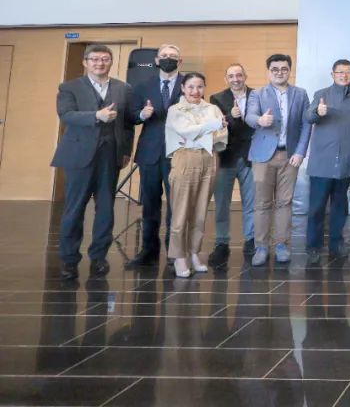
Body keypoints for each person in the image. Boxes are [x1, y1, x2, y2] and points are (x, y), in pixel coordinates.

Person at [51, 44, 134, 280]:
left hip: (110, 155)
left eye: (105, 59)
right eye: (95, 59)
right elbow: (66, 115)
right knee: (74, 208)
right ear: (85, 62)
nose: (100, 63)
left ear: (110, 62)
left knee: (106, 208)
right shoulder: (69, 87)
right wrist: (96, 116)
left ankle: (99, 257)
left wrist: (125, 151)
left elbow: (127, 124)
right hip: (79, 155)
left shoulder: (123, 88)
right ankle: (69, 260)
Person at [245, 54, 312, 267]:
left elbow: (306, 124)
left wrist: (300, 152)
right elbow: (249, 116)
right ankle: (261, 247)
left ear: (289, 70)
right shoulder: (257, 93)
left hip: (290, 155)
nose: (279, 72)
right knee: (262, 203)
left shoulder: (300, 94)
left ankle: (282, 245)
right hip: (262, 157)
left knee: (285, 202)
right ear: (268, 72)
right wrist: (260, 120)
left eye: (284, 68)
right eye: (275, 69)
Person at [125, 43, 184, 269]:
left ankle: (174, 252)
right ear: (157, 60)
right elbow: (131, 116)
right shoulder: (143, 86)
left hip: (178, 152)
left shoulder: (189, 84)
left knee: (176, 205)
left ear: (180, 61)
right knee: (150, 203)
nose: (168, 58)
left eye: (173, 56)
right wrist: (142, 114)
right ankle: (148, 251)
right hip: (150, 152)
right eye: (164, 55)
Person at [165, 72, 227, 278]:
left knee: (200, 212)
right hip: (185, 158)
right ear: (183, 88)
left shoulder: (212, 108)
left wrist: (199, 134)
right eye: (191, 87)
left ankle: (194, 252)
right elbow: (186, 131)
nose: (195, 91)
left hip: (209, 159)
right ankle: (178, 256)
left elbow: (222, 135)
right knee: (181, 211)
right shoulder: (175, 109)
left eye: (200, 87)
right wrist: (210, 128)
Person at [304, 59, 350, 266]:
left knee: (340, 206)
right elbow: (308, 116)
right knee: (317, 207)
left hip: (345, 161)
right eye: (340, 72)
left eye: (347, 72)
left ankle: (336, 243)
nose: (343, 75)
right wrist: (317, 112)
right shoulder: (321, 94)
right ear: (332, 74)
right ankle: (313, 247)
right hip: (322, 162)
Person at [208, 63, 256, 269]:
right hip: (225, 157)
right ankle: (221, 242)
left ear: (245, 76)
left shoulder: (257, 95)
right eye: (231, 76)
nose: (235, 79)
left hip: (250, 157)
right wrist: (230, 116)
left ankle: (251, 240)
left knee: (251, 203)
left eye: (239, 75)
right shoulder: (217, 98)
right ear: (226, 79)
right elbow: (216, 124)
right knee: (221, 204)